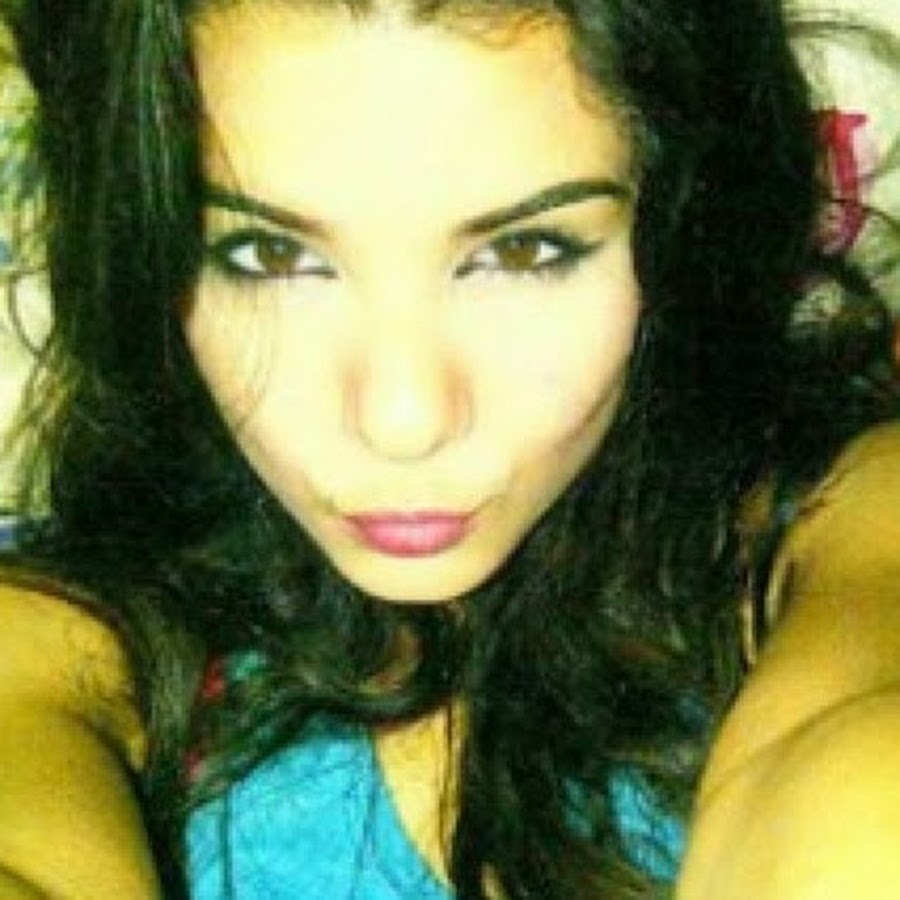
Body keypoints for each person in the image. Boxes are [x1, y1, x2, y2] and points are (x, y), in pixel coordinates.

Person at [0, 0, 897, 897]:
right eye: (269, 255)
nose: (403, 420)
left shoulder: (846, 515)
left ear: (681, 222)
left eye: (526, 250)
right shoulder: (61, 631)